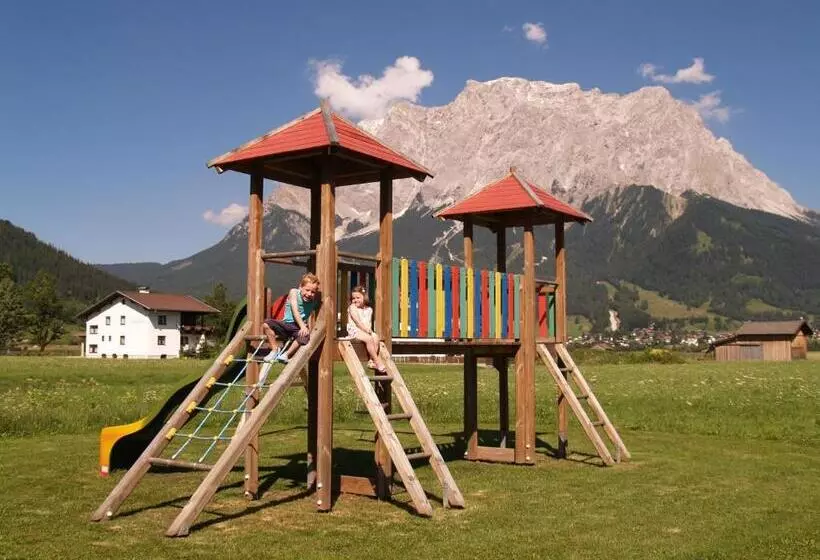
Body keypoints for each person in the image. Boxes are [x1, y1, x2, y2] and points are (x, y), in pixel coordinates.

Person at [262, 273, 320, 364]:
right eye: (307, 290)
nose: (309, 294)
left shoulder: (313, 302)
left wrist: (305, 326)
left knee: (305, 337)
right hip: (286, 324)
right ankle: (274, 350)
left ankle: (286, 354)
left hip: (297, 328)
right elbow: (295, 310)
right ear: (300, 287)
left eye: (313, 292)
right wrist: (303, 326)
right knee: (266, 324)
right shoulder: (294, 292)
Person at [346, 285, 386, 373]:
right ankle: (377, 361)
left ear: (364, 297)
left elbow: (368, 323)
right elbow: (357, 322)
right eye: (353, 298)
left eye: (358, 297)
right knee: (368, 338)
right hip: (355, 330)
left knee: (375, 337)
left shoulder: (369, 309)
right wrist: (366, 330)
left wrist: (369, 331)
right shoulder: (352, 307)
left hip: (364, 331)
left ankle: (371, 361)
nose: (355, 300)